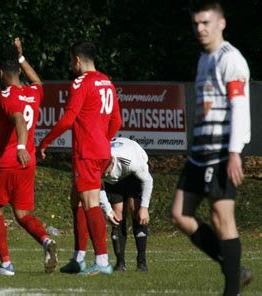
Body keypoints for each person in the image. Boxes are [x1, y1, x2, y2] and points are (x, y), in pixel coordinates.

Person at [171, 1, 252, 295]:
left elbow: (239, 107)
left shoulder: (231, 60)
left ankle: (232, 288)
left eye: (206, 22)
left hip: (221, 153)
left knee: (222, 219)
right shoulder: (204, 59)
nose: (200, 29)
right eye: (196, 24)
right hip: (199, 154)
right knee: (180, 214)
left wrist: (234, 153)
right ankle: (233, 266)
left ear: (221, 23)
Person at [39, 40, 122, 276]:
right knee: (76, 200)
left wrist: (45, 141)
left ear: (77, 60)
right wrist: (103, 141)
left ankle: (103, 261)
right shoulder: (107, 81)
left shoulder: (80, 82)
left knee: (90, 204)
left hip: (86, 152)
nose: (70, 65)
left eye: (70, 60)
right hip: (101, 151)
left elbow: (68, 119)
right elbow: (117, 121)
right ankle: (78, 258)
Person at [0, 38, 57, 276]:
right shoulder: (32, 92)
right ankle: (46, 241)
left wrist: (19, 146)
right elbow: (37, 80)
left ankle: (6, 264)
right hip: (26, 164)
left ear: (0, 73)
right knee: (22, 214)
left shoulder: (6, 96)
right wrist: (21, 56)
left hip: (7, 161)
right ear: (18, 71)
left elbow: (19, 121)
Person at [99, 137, 153, 272]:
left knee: (137, 212)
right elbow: (98, 188)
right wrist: (107, 211)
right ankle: (120, 263)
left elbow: (148, 181)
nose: (104, 174)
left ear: (111, 162)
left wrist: (145, 207)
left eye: (106, 171)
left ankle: (142, 262)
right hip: (115, 182)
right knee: (116, 216)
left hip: (132, 175)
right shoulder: (96, 163)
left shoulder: (131, 162)